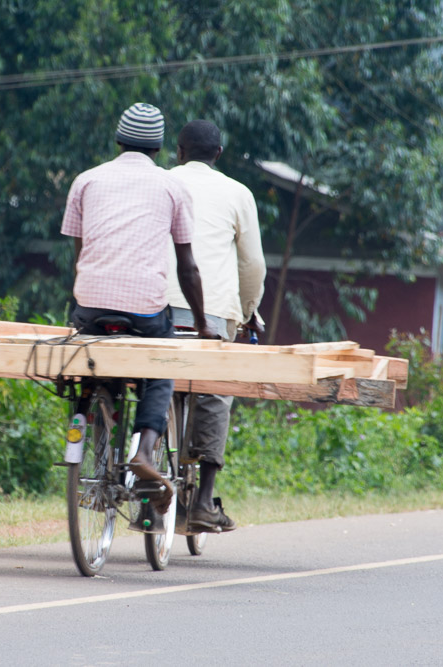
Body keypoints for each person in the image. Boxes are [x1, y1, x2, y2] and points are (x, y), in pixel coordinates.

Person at [61, 102, 216, 520]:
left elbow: (81, 254)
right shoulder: (171, 187)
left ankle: (94, 422)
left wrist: (83, 304)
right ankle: (144, 451)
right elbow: (187, 266)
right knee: (160, 367)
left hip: (90, 308)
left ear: (118, 139)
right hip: (146, 313)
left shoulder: (86, 180)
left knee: (90, 368)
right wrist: (201, 324)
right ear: (163, 147)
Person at [164, 119, 266, 532]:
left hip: (158, 307)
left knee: (152, 385)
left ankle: (143, 484)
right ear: (219, 155)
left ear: (179, 151)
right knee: (215, 393)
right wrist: (247, 310)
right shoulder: (238, 193)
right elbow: (252, 264)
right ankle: (203, 502)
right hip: (215, 311)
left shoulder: (163, 182)